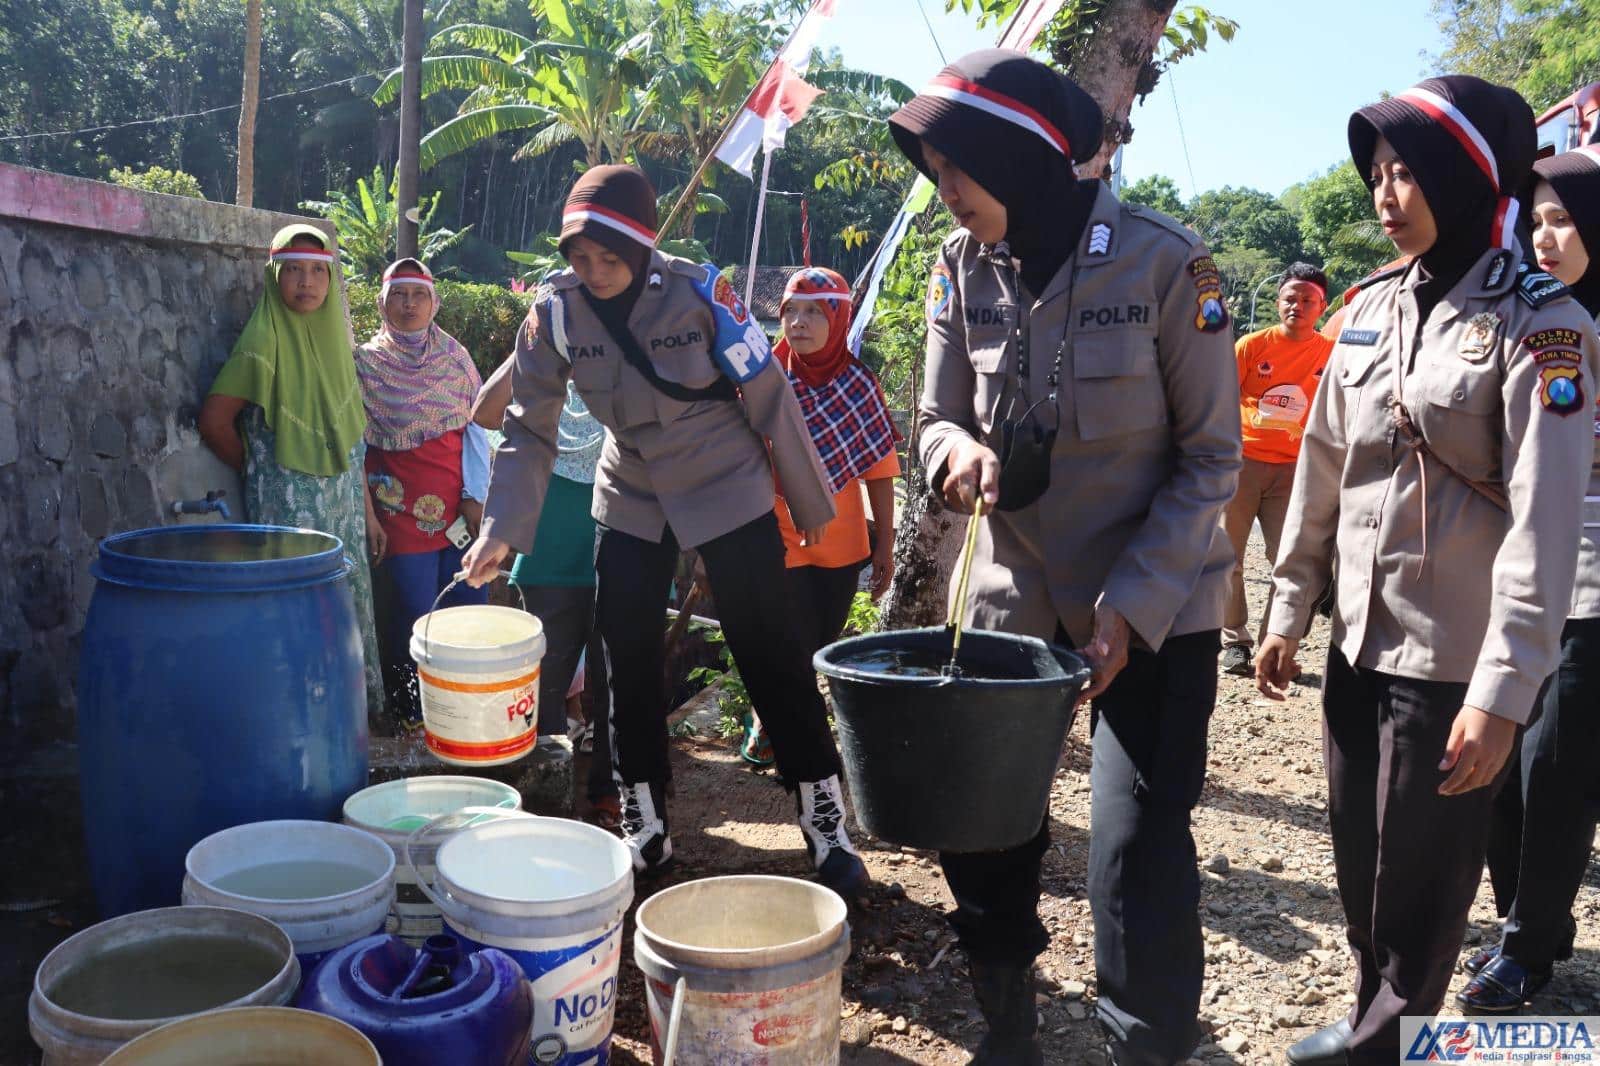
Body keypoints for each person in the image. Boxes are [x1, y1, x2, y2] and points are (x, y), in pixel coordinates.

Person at [887, 51, 1242, 1065]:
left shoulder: (1172, 265)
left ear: (1018, 157)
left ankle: (1146, 1042)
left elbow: (1212, 457)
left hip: (1155, 598)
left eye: (957, 167)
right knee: (984, 827)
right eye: (935, 168)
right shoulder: (957, 267)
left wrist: (1126, 606)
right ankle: (1009, 1024)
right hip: (1012, 597)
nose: (943, 190)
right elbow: (932, 415)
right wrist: (954, 451)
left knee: (1134, 845)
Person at [1255, 77, 1598, 1066]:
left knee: (1424, 877)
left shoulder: (1546, 322)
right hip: (1357, 638)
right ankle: (1380, 1012)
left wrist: (1503, 689)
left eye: (1408, 172)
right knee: (1361, 857)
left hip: (1453, 655)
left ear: (1460, 174)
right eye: (1378, 174)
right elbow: (1322, 469)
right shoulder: (1364, 310)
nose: (1385, 193)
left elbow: (1546, 520)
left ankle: (1388, 1040)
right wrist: (1287, 609)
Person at [458, 165, 871, 899]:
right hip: (633, 487)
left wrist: (813, 512)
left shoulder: (699, 294)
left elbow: (767, 392)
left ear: (642, 248)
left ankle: (825, 821)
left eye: (609, 259)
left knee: (769, 648)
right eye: (580, 259)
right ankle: (644, 820)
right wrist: (501, 529)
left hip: (723, 478)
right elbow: (526, 426)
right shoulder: (554, 313)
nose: (593, 272)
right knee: (624, 652)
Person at [1454, 147, 1600, 1013]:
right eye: (1536, 220)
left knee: (1551, 770)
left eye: (1565, 220)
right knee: (1493, 771)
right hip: (1514, 578)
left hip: (1594, 590)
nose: (1546, 238)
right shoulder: (1521, 318)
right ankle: (1530, 920)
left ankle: (1525, 949)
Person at [198, 223, 384, 716]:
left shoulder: (335, 345)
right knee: (297, 612)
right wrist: (262, 470)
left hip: (342, 511)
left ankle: (352, 717)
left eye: (317, 272)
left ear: (330, 281)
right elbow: (215, 421)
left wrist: (368, 513)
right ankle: (300, 718)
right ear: (275, 277)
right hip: (288, 515)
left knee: (340, 604)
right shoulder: (263, 339)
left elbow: (351, 442)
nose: (306, 282)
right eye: (294, 270)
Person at [739, 267, 901, 765]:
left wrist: (886, 544)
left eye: (814, 311)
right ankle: (794, 744)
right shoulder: (762, 380)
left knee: (815, 645)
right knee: (784, 644)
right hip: (774, 537)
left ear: (839, 317)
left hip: (841, 547)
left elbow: (879, 471)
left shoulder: (859, 385)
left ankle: (784, 732)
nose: (799, 322)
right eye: (791, 310)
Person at [473, 355, 619, 824]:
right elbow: (484, 413)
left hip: (621, 543)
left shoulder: (625, 369)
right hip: (550, 552)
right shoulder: (542, 384)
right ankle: (552, 802)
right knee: (546, 683)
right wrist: (535, 340)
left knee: (617, 683)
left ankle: (610, 794)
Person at [356, 258, 490, 730]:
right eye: (399, 294)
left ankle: (464, 717)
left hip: (459, 517)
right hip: (399, 517)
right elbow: (356, 444)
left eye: (418, 295)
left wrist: (476, 498)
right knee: (413, 617)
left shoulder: (456, 359)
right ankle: (415, 715)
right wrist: (368, 514)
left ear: (435, 303)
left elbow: (476, 431)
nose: (409, 305)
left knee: (467, 613)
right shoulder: (365, 363)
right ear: (382, 303)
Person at [1218, 264, 1332, 676]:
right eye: (1289, 298)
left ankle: (1275, 642)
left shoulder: (1331, 354)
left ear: (1322, 306)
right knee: (1226, 556)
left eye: (1307, 299)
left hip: (1296, 471)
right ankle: (1235, 641)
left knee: (1288, 558)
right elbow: (1220, 399)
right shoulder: (1251, 346)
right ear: (1278, 301)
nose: (1296, 306)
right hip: (1243, 463)